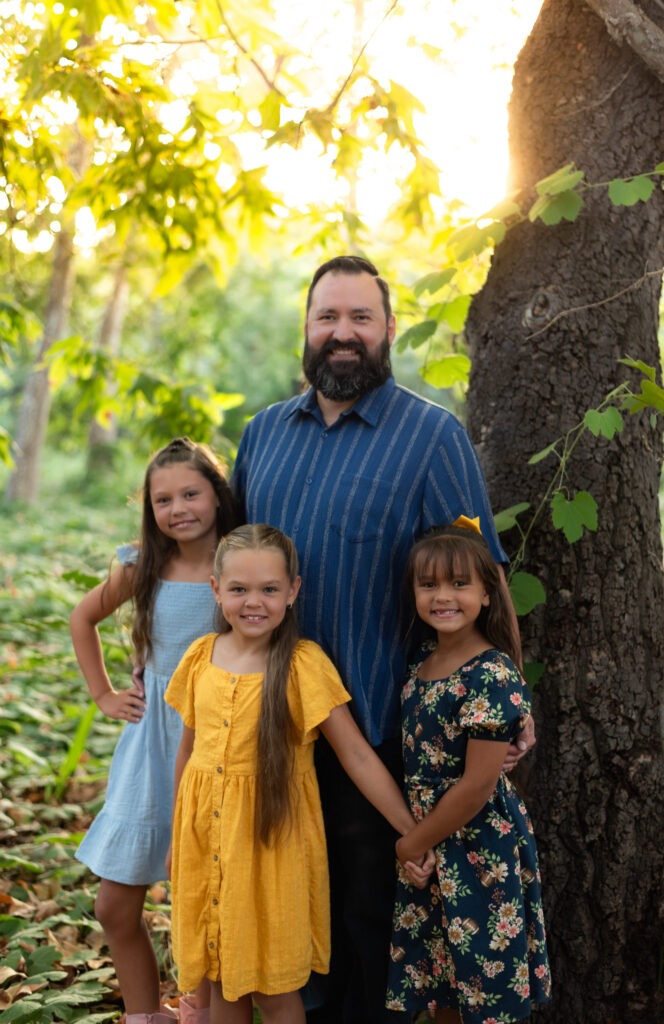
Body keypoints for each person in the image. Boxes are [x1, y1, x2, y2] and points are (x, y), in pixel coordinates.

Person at [231, 255, 534, 1023]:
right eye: (328, 316)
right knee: (287, 928)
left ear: (388, 330)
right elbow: (226, 565)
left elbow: (483, 577)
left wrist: (510, 699)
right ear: (306, 328)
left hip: (382, 735)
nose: (343, 333)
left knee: (369, 936)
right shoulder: (263, 434)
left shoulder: (432, 436)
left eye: (360, 318)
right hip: (270, 731)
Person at [163, 524, 432, 1024]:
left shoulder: (303, 665)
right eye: (239, 589)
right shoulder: (200, 657)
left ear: (293, 591)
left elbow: (357, 756)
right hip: (205, 842)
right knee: (222, 980)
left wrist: (412, 831)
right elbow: (189, 753)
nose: (253, 602)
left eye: (269, 589)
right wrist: (176, 840)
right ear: (216, 589)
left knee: (274, 988)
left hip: (270, 852)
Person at [70, 437, 240, 1024]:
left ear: (217, 495)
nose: (177, 509)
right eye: (162, 499)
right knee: (115, 903)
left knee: (211, 902)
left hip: (218, 745)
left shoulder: (237, 563)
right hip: (151, 746)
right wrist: (103, 694)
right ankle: (145, 1015)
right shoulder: (143, 564)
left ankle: (203, 1010)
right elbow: (83, 617)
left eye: (190, 493)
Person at [386, 520, 551, 1022]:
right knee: (445, 988)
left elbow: (478, 786)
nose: (443, 596)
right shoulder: (419, 662)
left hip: (478, 849)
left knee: (486, 992)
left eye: (460, 584)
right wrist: (420, 845)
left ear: (486, 593)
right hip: (432, 850)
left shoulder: (491, 673)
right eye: (429, 584)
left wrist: (411, 844)